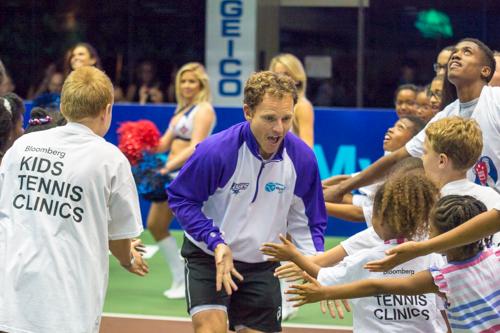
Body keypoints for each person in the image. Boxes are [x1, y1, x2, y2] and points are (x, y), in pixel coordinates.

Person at [166, 71, 327, 333]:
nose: (279, 128)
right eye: (269, 118)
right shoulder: (216, 152)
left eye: (286, 118)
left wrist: (315, 267)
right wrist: (215, 241)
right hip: (210, 257)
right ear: (248, 112)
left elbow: (307, 222)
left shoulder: (302, 159)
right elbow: (181, 199)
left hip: (262, 264)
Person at [0, 66, 148, 333]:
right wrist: (128, 259)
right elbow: (119, 240)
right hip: (67, 310)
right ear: (107, 110)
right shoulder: (110, 159)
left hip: (10, 302)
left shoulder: (21, 147)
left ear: (64, 106)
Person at [263, 173, 448, 332]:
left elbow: (322, 274)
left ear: (378, 218)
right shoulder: (434, 258)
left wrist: (293, 256)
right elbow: (443, 312)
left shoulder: (363, 259)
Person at [289, 195, 499, 333]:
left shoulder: (442, 277)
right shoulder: (495, 257)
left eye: (432, 230)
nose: (429, 235)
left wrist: (327, 292)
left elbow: (376, 286)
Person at [326, 38, 499, 203]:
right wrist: (342, 188)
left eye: (466, 52)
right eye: (455, 52)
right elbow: (398, 158)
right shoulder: (445, 117)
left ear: (485, 70)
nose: (456, 55)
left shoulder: (496, 100)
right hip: (473, 213)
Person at [149, 62, 216, 299]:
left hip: (188, 175)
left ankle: (201, 279)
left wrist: (168, 165)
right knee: (155, 225)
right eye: (183, 81)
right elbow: (162, 144)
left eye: (192, 81)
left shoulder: (204, 109)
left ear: (201, 84)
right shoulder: (181, 111)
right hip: (171, 175)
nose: (187, 86)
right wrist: (138, 141)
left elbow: (197, 145)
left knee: (196, 231)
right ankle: (179, 276)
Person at [269, 53, 314, 148]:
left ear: (297, 78)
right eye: (277, 74)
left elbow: (307, 147)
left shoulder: (302, 106)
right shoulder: (268, 106)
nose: (281, 79)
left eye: (286, 74)